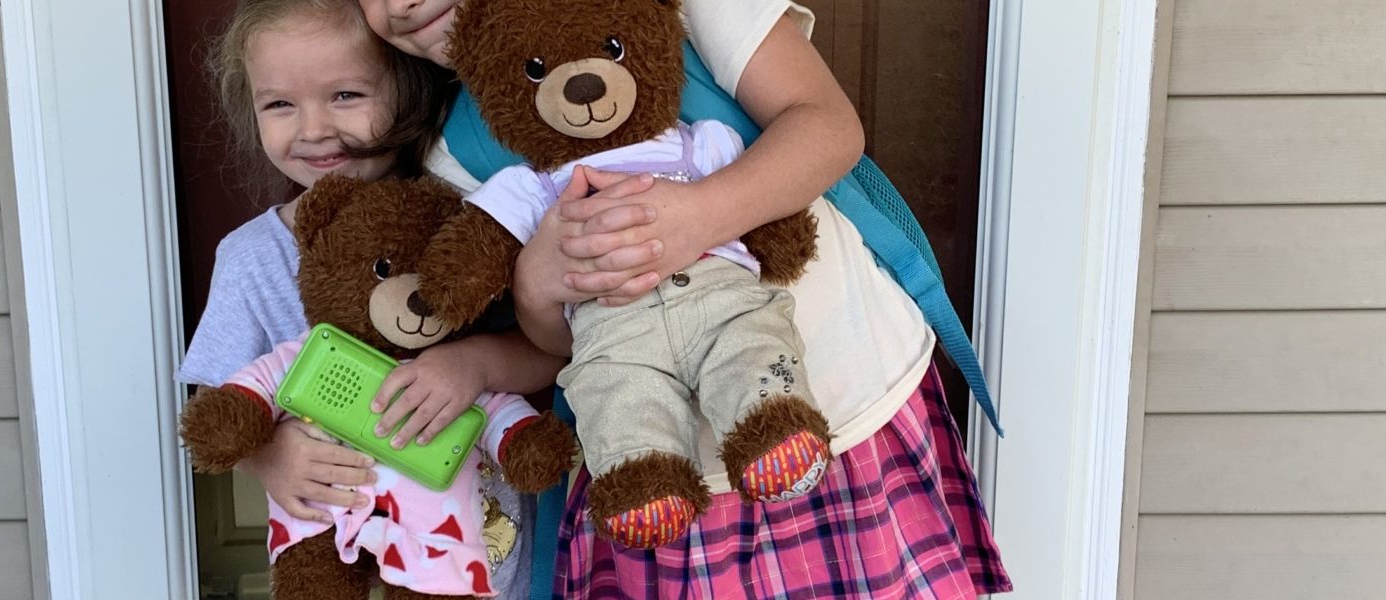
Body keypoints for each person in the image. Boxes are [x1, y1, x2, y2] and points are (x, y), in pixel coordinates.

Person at [355, 0, 1015, 595]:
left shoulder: (691, 6)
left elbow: (829, 128)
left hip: (841, 416)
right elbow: (562, 350)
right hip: (659, 487)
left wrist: (698, 218)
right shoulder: (456, 152)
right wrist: (536, 286)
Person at [175, 0, 564, 595]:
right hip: (330, 551)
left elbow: (552, 350)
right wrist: (269, 456)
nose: (312, 129)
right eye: (279, 104)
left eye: (346, 95)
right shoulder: (252, 256)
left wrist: (473, 364)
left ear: (410, 91)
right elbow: (216, 408)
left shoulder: (472, 229)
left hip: (478, 555)